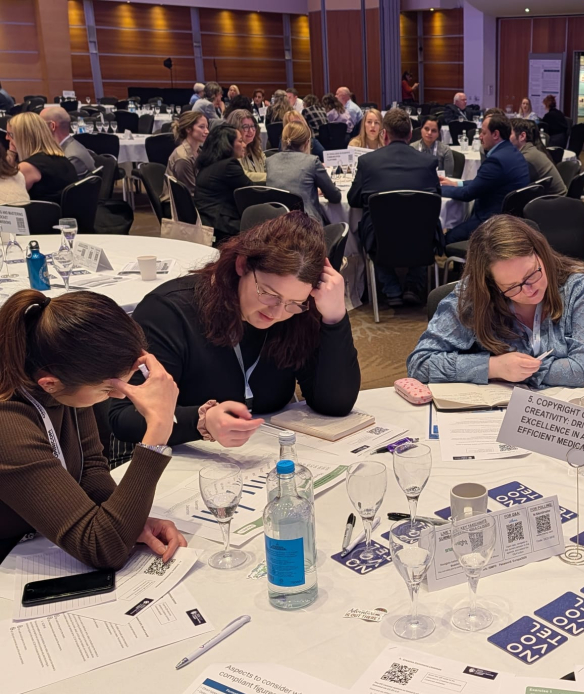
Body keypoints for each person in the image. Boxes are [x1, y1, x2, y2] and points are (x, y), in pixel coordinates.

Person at [109, 212, 360, 449]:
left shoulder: (298, 314)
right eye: (269, 294)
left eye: (293, 303)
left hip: (262, 453)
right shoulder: (169, 312)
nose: (276, 313)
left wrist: (335, 317)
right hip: (181, 456)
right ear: (241, 265)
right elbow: (122, 416)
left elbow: (335, 404)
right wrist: (201, 421)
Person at [0, 289, 186, 569]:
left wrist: (126, 520)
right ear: (49, 384)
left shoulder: (67, 378)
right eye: (107, 389)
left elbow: (90, 469)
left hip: (38, 540)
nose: (120, 395)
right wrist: (156, 436)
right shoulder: (7, 425)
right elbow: (102, 550)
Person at [408, 215, 584, 388]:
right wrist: (493, 367)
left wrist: (520, 372)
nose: (529, 290)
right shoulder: (473, 295)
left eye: (532, 274)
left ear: (541, 253)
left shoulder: (579, 287)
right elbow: (420, 364)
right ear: (492, 285)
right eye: (512, 287)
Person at [348, 108, 441, 307]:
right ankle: (413, 285)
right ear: (410, 134)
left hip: (381, 238)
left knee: (370, 226)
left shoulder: (368, 162)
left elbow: (353, 199)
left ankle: (391, 289)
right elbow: (436, 198)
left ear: (385, 134)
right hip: (421, 238)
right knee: (425, 224)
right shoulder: (428, 162)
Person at [440, 113, 530, 244]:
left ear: (495, 134)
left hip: (491, 223)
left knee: (448, 238)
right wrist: (456, 183)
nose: (480, 137)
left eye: (483, 132)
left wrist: (437, 189)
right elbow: (483, 183)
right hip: (510, 220)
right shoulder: (514, 153)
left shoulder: (496, 161)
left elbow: (467, 194)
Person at [267, 121, 340, 223]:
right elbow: (335, 197)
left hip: (277, 224)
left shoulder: (270, 161)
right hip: (306, 225)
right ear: (307, 142)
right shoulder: (312, 162)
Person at [193, 124, 251, 242]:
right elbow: (251, 191)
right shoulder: (229, 165)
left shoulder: (209, 164)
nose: (244, 145)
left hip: (207, 220)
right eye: (240, 141)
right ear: (227, 145)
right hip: (222, 226)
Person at [5, 112, 77, 204]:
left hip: (39, 213)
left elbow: (6, 198)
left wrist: (11, 154)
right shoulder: (62, 159)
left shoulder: (27, 168)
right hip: (62, 212)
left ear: (23, 137)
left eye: (10, 134)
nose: (6, 138)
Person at [511, 118, 566, 197]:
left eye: (509, 134)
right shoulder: (531, 150)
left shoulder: (527, 158)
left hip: (556, 202)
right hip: (555, 199)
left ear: (522, 136)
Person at [40, 106, 93, 177]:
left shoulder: (71, 159)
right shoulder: (67, 148)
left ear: (52, 126)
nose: (37, 128)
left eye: (40, 124)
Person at [164, 110, 208, 197]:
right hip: (179, 203)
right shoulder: (183, 158)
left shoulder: (199, 151)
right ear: (188, 129)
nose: (207, 131)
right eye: (202, 127)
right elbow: (191, 192)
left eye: (207, 127)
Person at [225, 109, 266, 182]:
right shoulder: (232, 151)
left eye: (252, 126)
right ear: (235, 130)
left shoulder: (255, 147)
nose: (251, 131)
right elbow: (244, 175)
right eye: (246, 127)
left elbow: (267, 166)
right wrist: (270, 177)